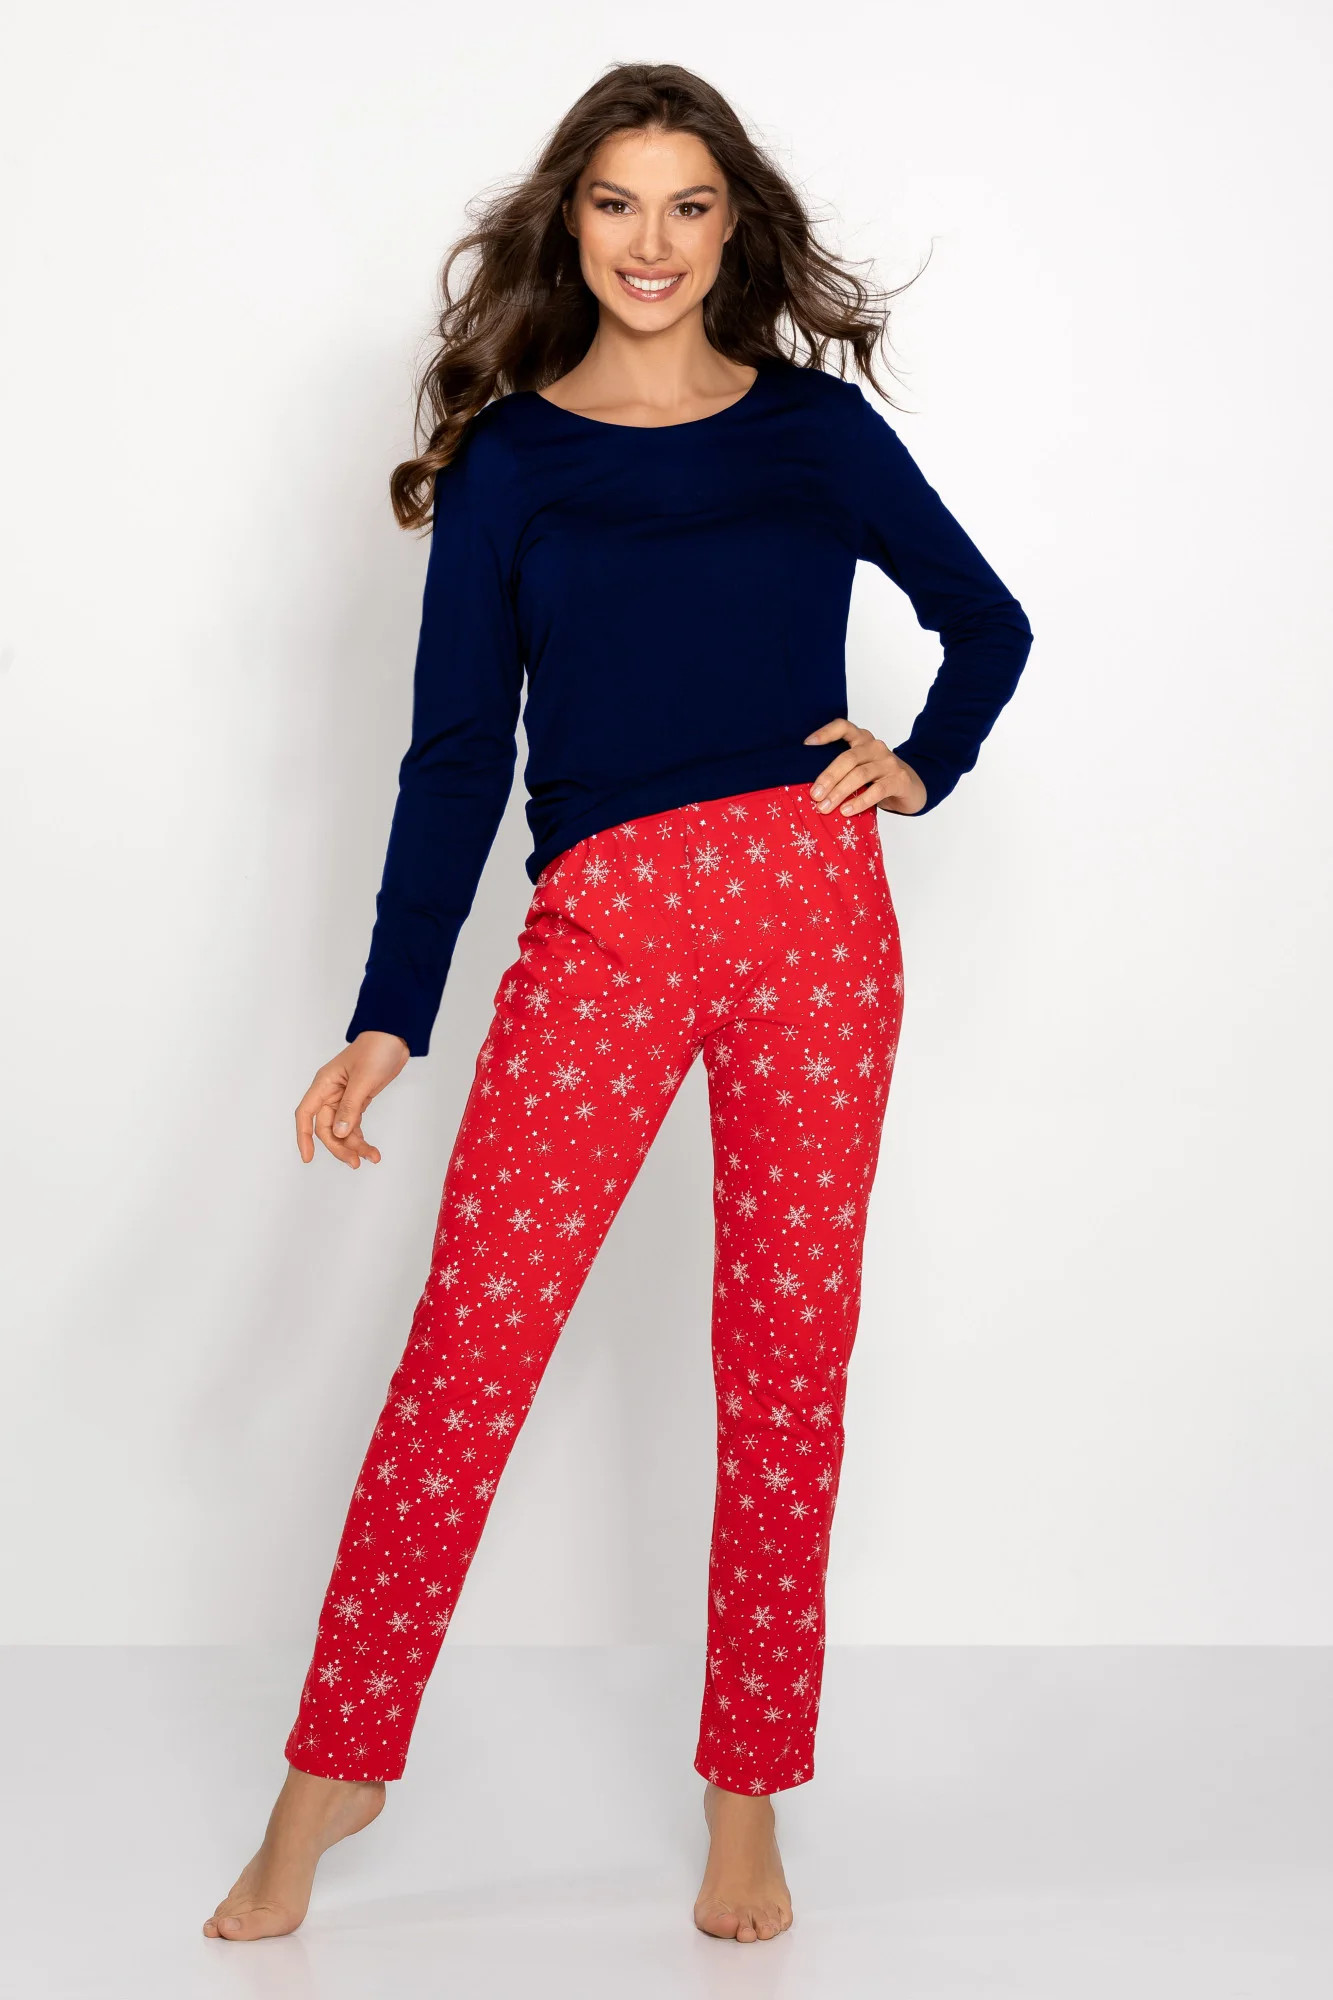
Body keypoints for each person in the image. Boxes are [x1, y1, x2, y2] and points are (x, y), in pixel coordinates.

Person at [204, 60, 1033, 1946]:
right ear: (566, 221)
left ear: (732, 226)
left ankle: (748, 1801)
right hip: (606, 926)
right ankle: (330, 1775)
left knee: (786, 1364)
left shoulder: (813, 433)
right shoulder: (510, 459)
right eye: (614, 203)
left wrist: (920, 763)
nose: (649, 241)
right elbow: (453, 755)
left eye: (686, 204)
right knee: (467, 1353)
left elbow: (986, 623)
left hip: (812, 917)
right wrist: (392, 1011)